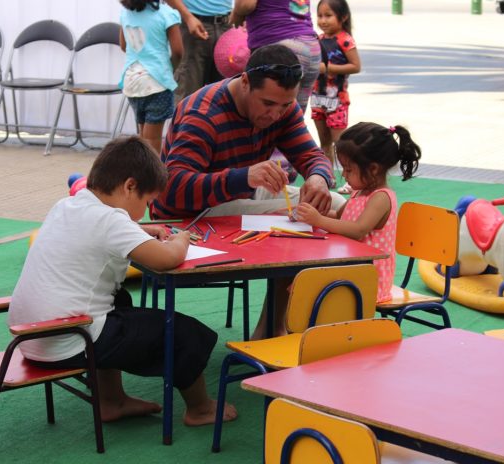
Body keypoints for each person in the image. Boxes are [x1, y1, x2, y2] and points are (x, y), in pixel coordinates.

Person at [8, 136, 237, 426]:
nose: (146, 210)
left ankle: (111, 400)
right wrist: (181, 240)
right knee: (185, 333)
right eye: (147, 201)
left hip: (31, 337)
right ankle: (201, 409)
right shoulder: (110, 221)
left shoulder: (68, 205)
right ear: (130, 186)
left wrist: (142, 230)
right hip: (68, 341)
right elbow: (166, 260)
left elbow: (109, 229)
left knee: (120, 300)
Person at [151, 44, 346, 339]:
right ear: (244, 81)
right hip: (189, 216)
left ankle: (304, 321)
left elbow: (311, 156)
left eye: (284, 105)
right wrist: (244, 178)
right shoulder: (202, 114)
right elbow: (172, 192)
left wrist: (319, 177)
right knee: (302, 221)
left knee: (336, 203)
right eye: (268, 103)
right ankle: (271, 331)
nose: (276, 113)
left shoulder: (282, 107)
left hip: (240, 195)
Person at [295, 122, 421, 303]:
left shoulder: (381, 198)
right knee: (304, 283)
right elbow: (339, 217)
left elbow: (358, 230)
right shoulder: (359, 192)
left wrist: (319, 220)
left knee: (313, 289)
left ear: (373, 169)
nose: (344, 176)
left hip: (369, 277)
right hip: (351, 268)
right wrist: (310, 214)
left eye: (348, 169)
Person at [230, 0, 320, 113]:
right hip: (311, 46)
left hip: (282, 46)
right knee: (293, 122)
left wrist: (237, 12)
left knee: (267, 118)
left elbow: (246, 5)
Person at [119, 0, 183, 153]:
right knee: (152, 138)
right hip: (156, 82)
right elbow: (178, 51)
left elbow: (123, 46)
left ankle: (141, 171)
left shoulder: (125, 14)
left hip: (132, 81)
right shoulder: (166, 13)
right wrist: (170, 68)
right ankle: (151, 175)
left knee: (143, 135)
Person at [311, 0, 361, 189]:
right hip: (317, 98)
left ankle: (353, 179)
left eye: (328, 15)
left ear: (343, 17)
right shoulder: (318, 39)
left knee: (341, 143)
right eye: (320, 15)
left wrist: (327, 68)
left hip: (337, 101)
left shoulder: (344, 39)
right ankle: (327, 176)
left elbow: (356, 66)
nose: (323, 20)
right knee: (324, 142)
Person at [165, 0, 233, 101]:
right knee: (189, 94)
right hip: (194, 24)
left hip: (227, 24)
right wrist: (188, 17)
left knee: (223, 96)